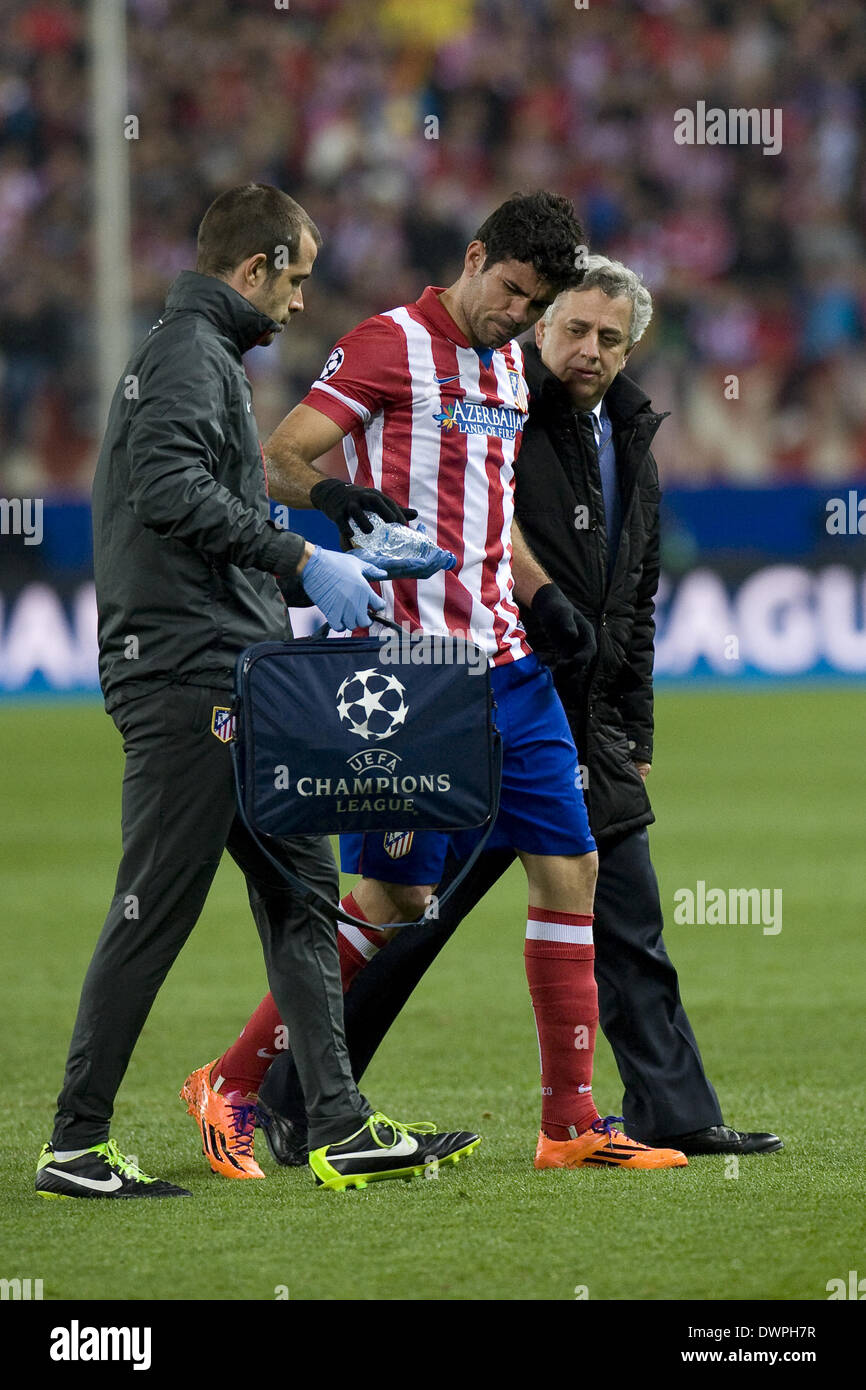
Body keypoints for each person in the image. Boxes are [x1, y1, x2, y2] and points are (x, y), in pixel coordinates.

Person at [209, 253, 783, 1167]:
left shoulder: (618, 429)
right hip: (426, 681)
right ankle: (262, 1087)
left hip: (541, 695)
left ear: (632, 351)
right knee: (399, 904)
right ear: (537, 321)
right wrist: (343, 515)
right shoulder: (475, 381)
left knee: (595, 891)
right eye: (567, 327)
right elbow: (313, 467)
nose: (584, 350)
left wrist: (621, 712)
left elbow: (627, 592)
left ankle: (598, 1121)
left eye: (608, 338)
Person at [35, 183, 480, 1200]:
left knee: (302, 892)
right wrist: (300, 560)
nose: (298, 301)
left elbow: (208, 506)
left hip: (233, 666)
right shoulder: (188, 357)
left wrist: (337, 549)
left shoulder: (200, 358)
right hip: (188, 674)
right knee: (155, 905)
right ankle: (75, 1141)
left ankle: (336, 1122)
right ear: (255, 267)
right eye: (296, 278)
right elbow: (170, 494)